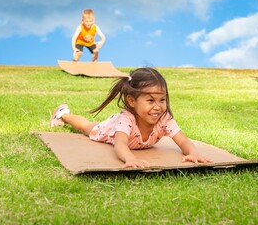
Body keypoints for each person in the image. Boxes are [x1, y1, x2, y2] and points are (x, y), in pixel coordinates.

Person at [50, 67, 213, 168]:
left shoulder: (164, 118)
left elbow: (183, 141)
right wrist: (130, 158)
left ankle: (64, 114)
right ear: (131, 101)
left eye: (162, 100)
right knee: (86, 127)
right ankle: (63, 114)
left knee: (86, 126)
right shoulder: (127, 119)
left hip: (126, 133)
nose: (157, 107)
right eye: (150, 100)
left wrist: (193, 153)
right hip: (109, 129)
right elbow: (120, 144)